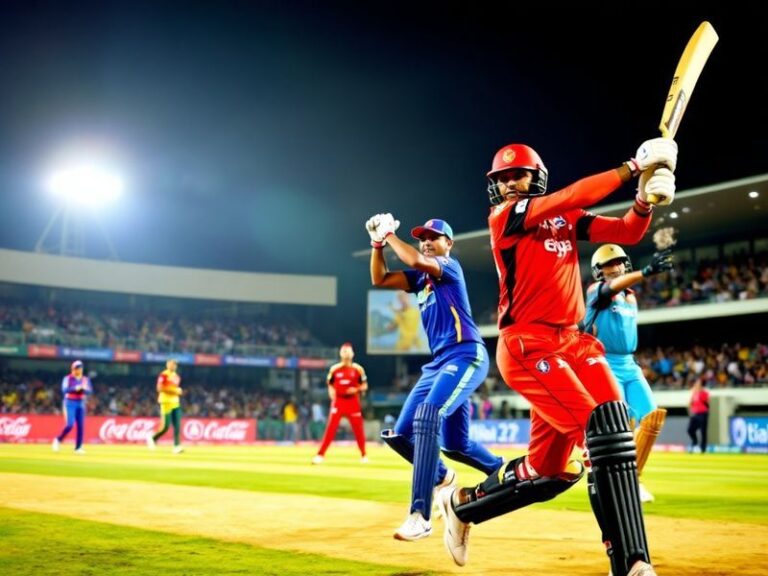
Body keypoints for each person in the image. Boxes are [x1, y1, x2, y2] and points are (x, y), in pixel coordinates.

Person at [435, 138, 678, 576]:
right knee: (604, 440)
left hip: (574, 342)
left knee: (547, 474)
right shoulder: (504, 218)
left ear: (536, 176)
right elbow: (571, 195)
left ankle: (462, 507)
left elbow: (626, 233)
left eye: (518, 175)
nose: (510, 183)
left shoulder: (564, 218)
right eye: (502, 178)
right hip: (528, 346)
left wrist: (643, 200)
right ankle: (632, 563)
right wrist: (632, 166)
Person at [367, 215, 503, 542]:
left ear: (448, 244)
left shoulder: (450, 267)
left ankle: (420, 515)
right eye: (423, 238)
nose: (426, 242)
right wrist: (376, 245)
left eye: (434, 237)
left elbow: (413, 258)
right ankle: (477, 473)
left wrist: (389, 235)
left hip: (466, 354)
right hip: (438, 365)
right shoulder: (421, 281)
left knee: (427, 418)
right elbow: (380, 279)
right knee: (413, 437)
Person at [582, 244, 675, 503]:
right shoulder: (595, 292)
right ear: (598, 272)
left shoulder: (631, 297)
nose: (615, 268)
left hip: (630, 364)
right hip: (605, 363)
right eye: (608, 265)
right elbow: (612, 289)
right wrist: (647, 271)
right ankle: (617, 480)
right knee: (623, 425)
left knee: (653, 418)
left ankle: (634, 478)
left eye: (619, 263)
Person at [312, 343, 369, 464]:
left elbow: (365, 385)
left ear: (352, 354)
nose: (346, 354)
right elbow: (330, 383)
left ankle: (364, 455)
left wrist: (356, 389)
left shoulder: (358, 369)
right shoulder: (335, 369)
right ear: (340, 354)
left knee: (358, 429)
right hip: (338, 401)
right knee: (330, 429)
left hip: (353, 401)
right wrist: (331, 393)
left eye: (348, 351)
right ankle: (320, 455)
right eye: (344, 351)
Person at [52, 360, 92, 454]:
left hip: (81, 403)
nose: (79, 370)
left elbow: (90, 391)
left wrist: (84, 389)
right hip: (69, 402)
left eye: (80, 368)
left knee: (81, 426)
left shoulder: (85, 379)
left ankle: (78, 447)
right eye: (77, 368)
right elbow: (64, 390)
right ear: (73, 369)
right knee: (70, 424)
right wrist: (76, 388)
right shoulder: (68, 378)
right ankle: (58, 440)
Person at [146, 359, 184, 454]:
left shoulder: (176, 376)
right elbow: (159, 388)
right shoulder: (164, 375)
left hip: (175, 402)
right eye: (171, 364)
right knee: (166, 426)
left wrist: (178, 391)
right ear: (167, 365)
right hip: (166, 402)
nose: (173, 366)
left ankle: (176, 446)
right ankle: (153, 438)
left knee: (177, 425)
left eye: (175, 364)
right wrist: (175, 391)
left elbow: (174, 388)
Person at [687, 378, 710, 453]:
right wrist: (691, 411)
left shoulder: (704, 393)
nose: (696, 384)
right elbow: (690, 403)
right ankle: (695, 441)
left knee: (703, 432)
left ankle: (703, 449)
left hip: (703, 413)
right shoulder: (694, 393)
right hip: (695, 414)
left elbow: (707, 402)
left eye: (698, 383)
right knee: (690, 430)